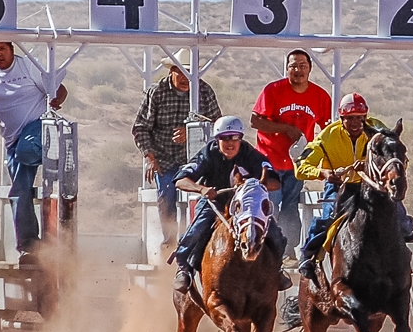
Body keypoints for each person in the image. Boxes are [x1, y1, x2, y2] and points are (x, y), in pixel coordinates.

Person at [0, 41, 67, 261]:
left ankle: (55, 155)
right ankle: (29, 245)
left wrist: (56, 99)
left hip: (38, 126)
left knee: (26, 151)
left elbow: (60, 88)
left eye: (2, 48)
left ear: (11, 49)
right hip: (13, 140)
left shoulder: (28, 66)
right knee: (19, 191)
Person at [293, 92, 413, 281]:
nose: (356, 123)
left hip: (372, 187)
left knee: (398, 216)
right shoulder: (327, 136)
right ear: (341, 119)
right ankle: (308, 256)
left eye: (360, 118)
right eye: (350, 119)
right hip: (340, 187)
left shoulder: (377, 130)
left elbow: (395, 154)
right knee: (328, 218)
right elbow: (301, 165)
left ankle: (403, 251)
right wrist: (322, 173)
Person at [170, 116, 288, 293]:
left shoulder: (252, 155)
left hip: (247, 208)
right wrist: (200, 189)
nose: (230, 143)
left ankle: (277, 268)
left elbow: (275, 182)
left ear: (241, 138)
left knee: (275, 233)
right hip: (215, 204)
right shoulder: (208, 154)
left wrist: (254, 183)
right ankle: (183, 268)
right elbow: (180, 180)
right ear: (217, 140)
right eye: (225, 138)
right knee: (195, 231)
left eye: (234, 137)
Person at [132, 48, 223, 245]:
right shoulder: (157, 93)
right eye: (180, 72)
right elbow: (140, 128)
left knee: (208, 193)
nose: (185, 78)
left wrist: (192, 132)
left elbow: (218, 125)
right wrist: (149, 157)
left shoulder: (205, 91)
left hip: (197, 159)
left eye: (189, 73)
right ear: (171, 71)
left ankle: (202, 238)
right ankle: (169, 240)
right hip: (164, 158)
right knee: (166, 194)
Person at [250, 49, 332, 256]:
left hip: (298, 163)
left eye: (302, 66)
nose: (298, 70)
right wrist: (284, 128)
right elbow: (256, 121)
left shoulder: (320, 96)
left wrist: (326, 159)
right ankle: (267, 249)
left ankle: (287, 251)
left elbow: (327, 129)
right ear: (286, 69)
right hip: (270, 159)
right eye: (293, 66)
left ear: (310, 69)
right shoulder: (274, 90)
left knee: (290, 206)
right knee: (272, 204)